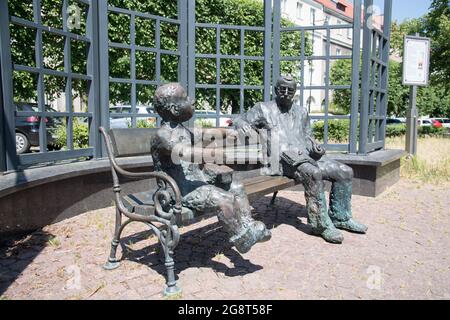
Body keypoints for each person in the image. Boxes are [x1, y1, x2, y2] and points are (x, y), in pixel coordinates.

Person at [233, 75, 368, 244]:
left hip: (305, 156)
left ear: (295, 92)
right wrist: (240, 124)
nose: (286, 93)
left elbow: (308, 136)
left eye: (290, 90)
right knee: (314, 173)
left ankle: (341, 217)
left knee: (344, 171)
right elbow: (240, 119)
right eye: (282, 89)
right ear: (276, 90)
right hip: (280, 161)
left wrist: (315, 147)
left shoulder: (302, 111)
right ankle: (321, 225)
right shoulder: (263, 109)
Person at [151, 83, 271, 254]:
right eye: (186, 98)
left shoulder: (184, 131)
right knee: (224, 199)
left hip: (196, 181)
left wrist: (232, 133)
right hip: (178, 190)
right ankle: (242, 238)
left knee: (237, 187)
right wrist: (217, 154)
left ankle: (248, 226)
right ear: (174, 109)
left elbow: (209, 134)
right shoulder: (163, 136)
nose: (191, 100)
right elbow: (185, 153)